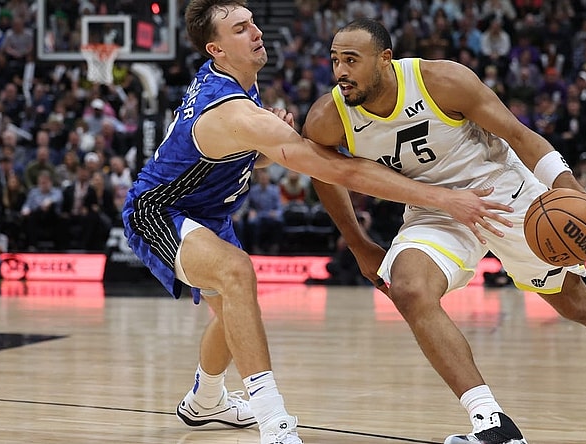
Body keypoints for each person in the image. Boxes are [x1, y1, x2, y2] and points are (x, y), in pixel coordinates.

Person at [122, 3, 507, 444]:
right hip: (160, 211)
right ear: (217, 49)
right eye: (241, 29)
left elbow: (239, 155)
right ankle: (274, 423)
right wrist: (441, 198)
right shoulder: (232, 109)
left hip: (208, 213)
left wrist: (268, 147)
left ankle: (206, 401)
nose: (256, 32)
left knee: (233, 311)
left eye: (253, 22)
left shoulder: (236, 83)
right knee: (237, 274)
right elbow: (339, 171)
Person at [301, 19, 586, 444]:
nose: (340, 72)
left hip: (503, 192)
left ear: (385, 59)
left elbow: (518, 134)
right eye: (335, 60)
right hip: (435, 208)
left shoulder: (441, 81)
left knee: (574, 302)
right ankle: (492, 423)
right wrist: (358, 244)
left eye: (351, 60)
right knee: (407, 288)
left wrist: (568, 185)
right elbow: (322, 171)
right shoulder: (329, 117)